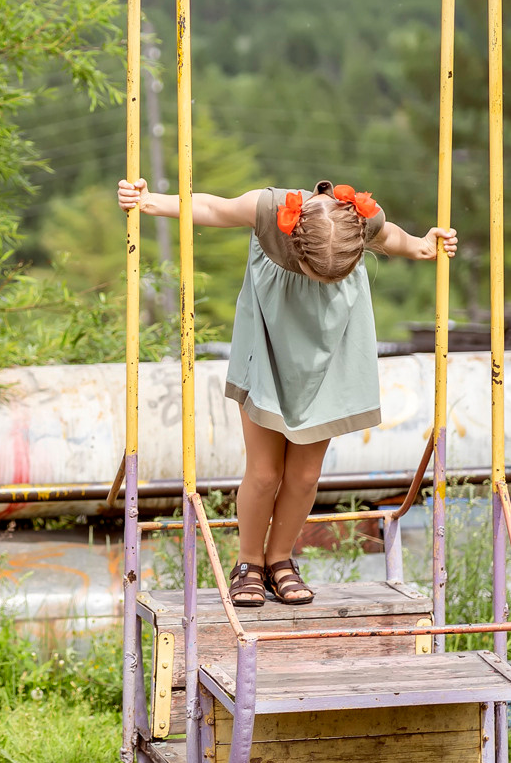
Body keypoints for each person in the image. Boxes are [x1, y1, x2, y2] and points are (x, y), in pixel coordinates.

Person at [117, 177, 457, 608]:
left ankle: (280, 560)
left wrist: (421, 245)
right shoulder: (267, 210)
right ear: (297, 247)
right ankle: (249, 564)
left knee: (304, 475)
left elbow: (391, 238)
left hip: (329, 351)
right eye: (319, 276)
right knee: (264, 472)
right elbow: (214, 208)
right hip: (270, 343)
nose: (325, 281)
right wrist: (151, 202)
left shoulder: (360, 220)